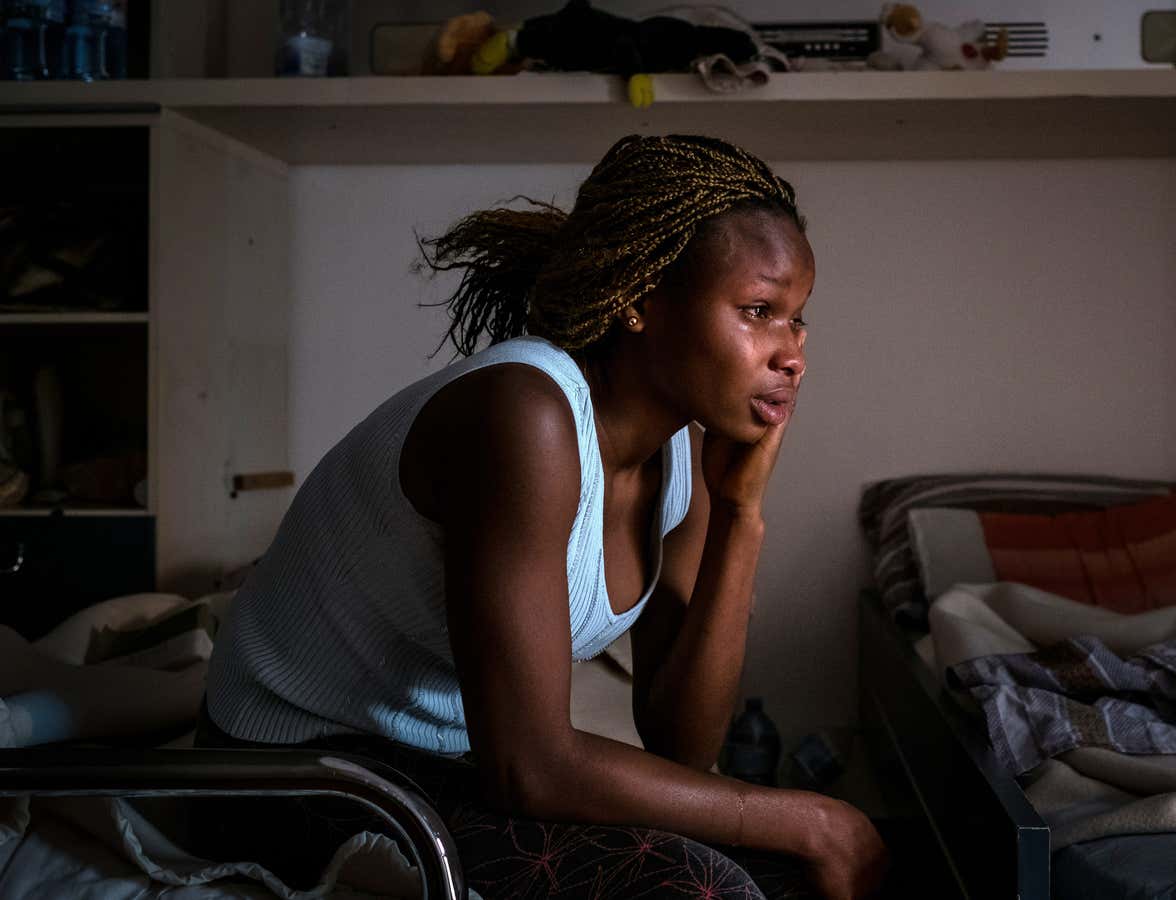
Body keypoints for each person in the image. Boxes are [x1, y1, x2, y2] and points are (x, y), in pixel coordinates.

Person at [200, 134, 888, 898]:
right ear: (638, 297)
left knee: (788, 873)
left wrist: (737, 515)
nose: (791, 353)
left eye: (797, 320)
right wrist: (808, 819)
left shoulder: (684, 456)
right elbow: (528, 767)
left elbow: (682, 746)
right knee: (709, 889)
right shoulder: (526, 414)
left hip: (439, 757)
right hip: (290, 766)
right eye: (758, 311)